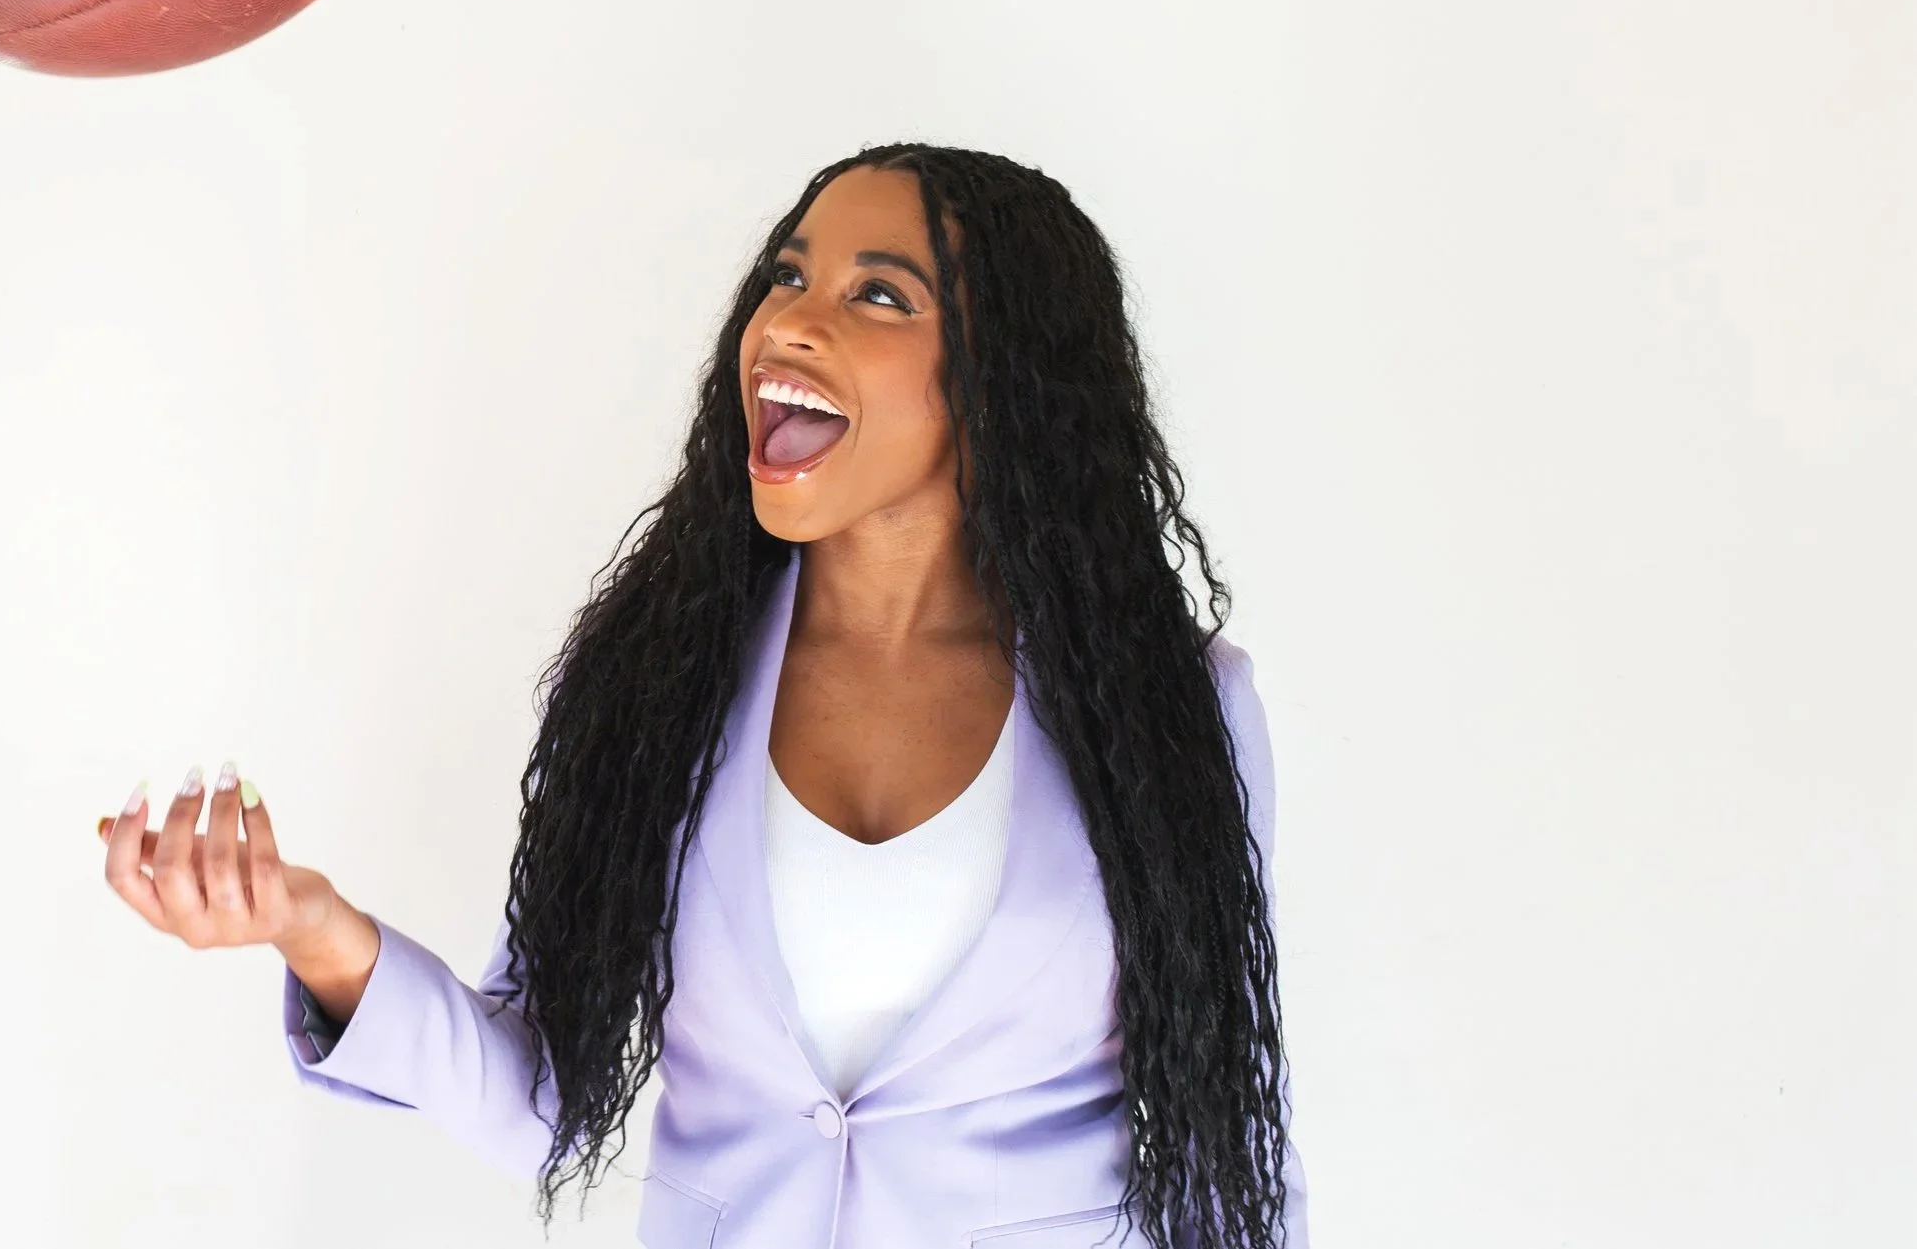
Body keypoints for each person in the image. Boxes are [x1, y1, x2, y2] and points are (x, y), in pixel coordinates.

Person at [98, 144, 1310, 1249]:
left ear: (1006, 383)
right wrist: (316, 932)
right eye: (789, 280)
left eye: (879, 293)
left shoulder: (1169, 715)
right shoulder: (654, 686)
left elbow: (1229, 1148)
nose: (791, 324)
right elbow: (541, 1099)